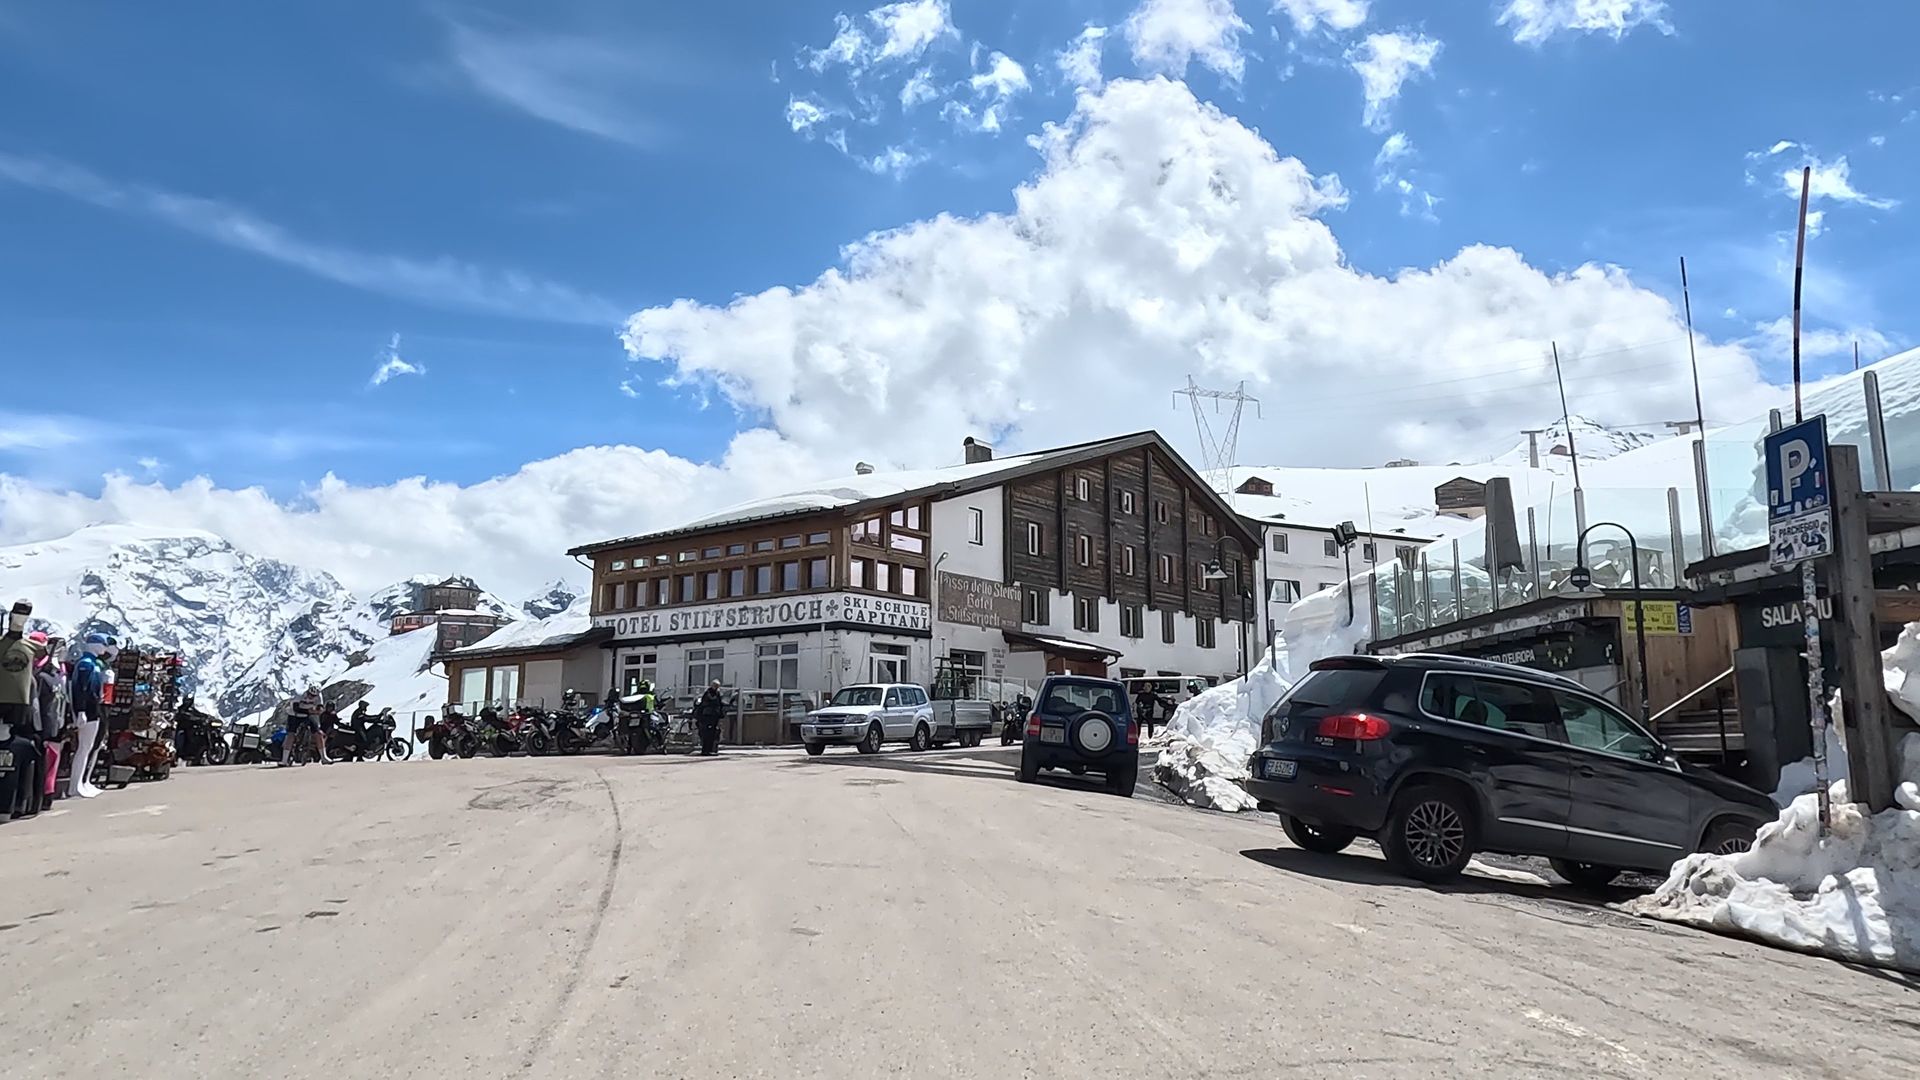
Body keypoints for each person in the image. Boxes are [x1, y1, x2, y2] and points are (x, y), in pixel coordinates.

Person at [2, 599, 44, 819]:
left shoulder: (33, 646)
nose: (20, 618)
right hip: (3, 701)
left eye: (25, 614)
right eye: (18, 613)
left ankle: (18, 803)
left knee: (19, 754)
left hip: (22, 705)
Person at [693, 680, 726, 756]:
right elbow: (709, 701)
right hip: (707, 716)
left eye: (718, 686)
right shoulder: (708, 693)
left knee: (713, 734)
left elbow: (720, 703)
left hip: (714, 716)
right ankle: (705, 750)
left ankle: (711, 749)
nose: (717, 688)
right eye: (716, 686)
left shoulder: (717, 693)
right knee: (707, 733)